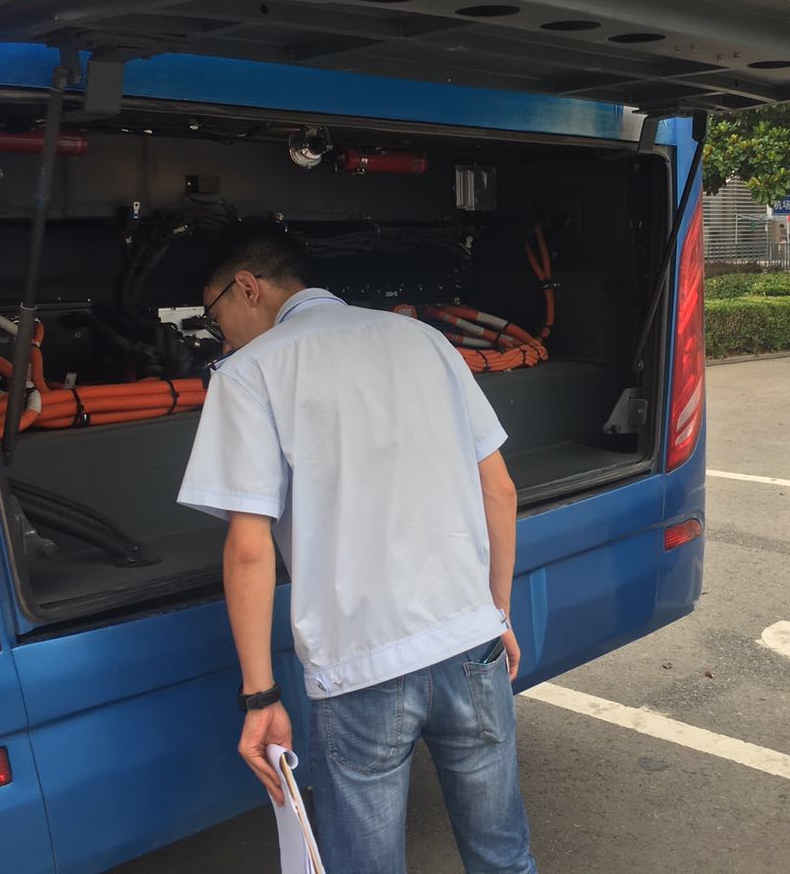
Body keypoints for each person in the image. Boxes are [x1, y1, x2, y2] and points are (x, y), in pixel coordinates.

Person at [177, 232, 537, 874]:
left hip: (359, 670)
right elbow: (500, 490)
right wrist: (497, 612)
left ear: (248, 288)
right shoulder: (425, 341)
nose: (219, 333)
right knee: (503, 858)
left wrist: (260, 698)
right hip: (469, 643)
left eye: (214, 314)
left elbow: (250, 550)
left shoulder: (250, 373)